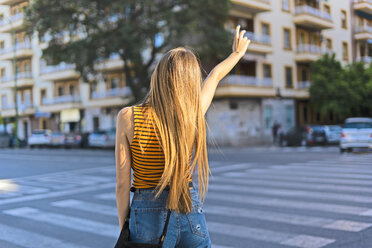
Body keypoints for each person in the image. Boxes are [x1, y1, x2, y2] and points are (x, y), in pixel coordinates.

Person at [115, 25, 250, 247]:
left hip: (146, 212)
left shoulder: (128, 117)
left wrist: (125, 230)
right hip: (188, 205)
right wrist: (236, 53)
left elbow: (122, 184)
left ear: (157, 75)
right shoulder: (191, 114)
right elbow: (214, 76)